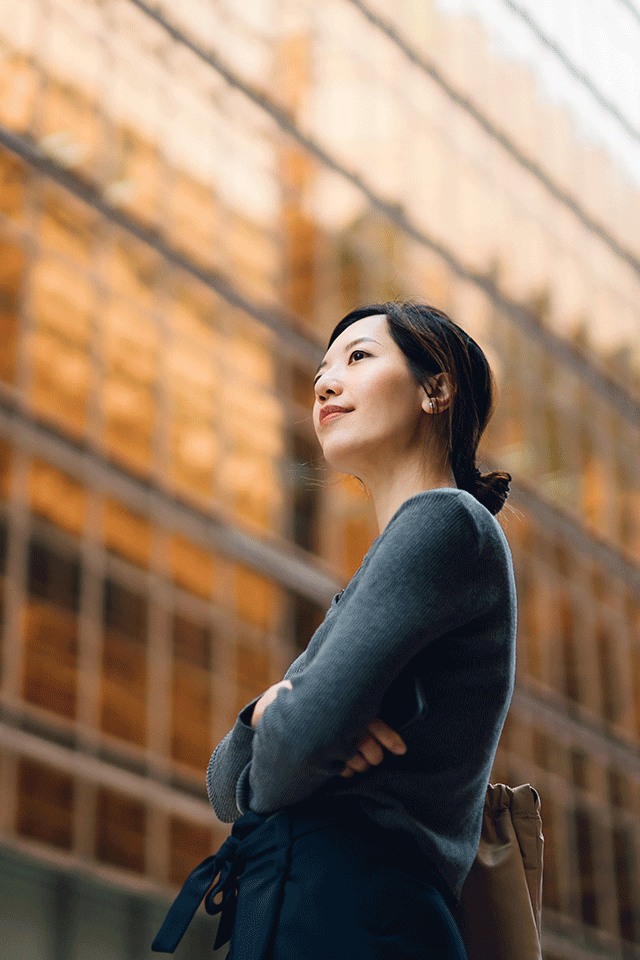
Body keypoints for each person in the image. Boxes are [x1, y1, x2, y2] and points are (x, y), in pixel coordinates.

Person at [152, 301, 517, 959]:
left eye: (358, 357)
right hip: (332, 907)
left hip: (355, 912)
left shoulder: (445, 523)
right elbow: (225, 784)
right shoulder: (381, 571)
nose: (324, 382)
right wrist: (270, 715)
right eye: (322, 368)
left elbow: (289, 758)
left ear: (436, 389)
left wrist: (298, 729)